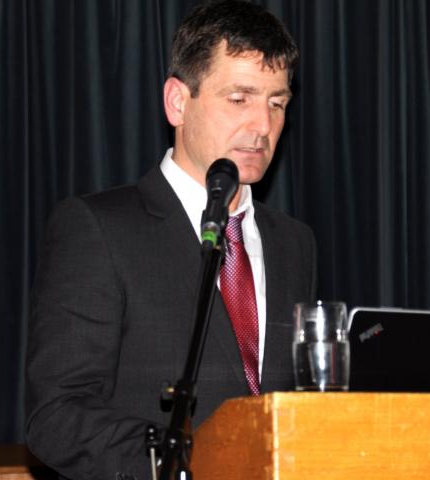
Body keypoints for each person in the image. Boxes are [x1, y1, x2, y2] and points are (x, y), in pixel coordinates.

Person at [25, 1, 316, 479]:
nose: (263, 126)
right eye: (239, 99)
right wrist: (183, 462)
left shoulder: (294, 243)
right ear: (178, 102)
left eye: (277, 103)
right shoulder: (99, 228)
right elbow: (58, 415)